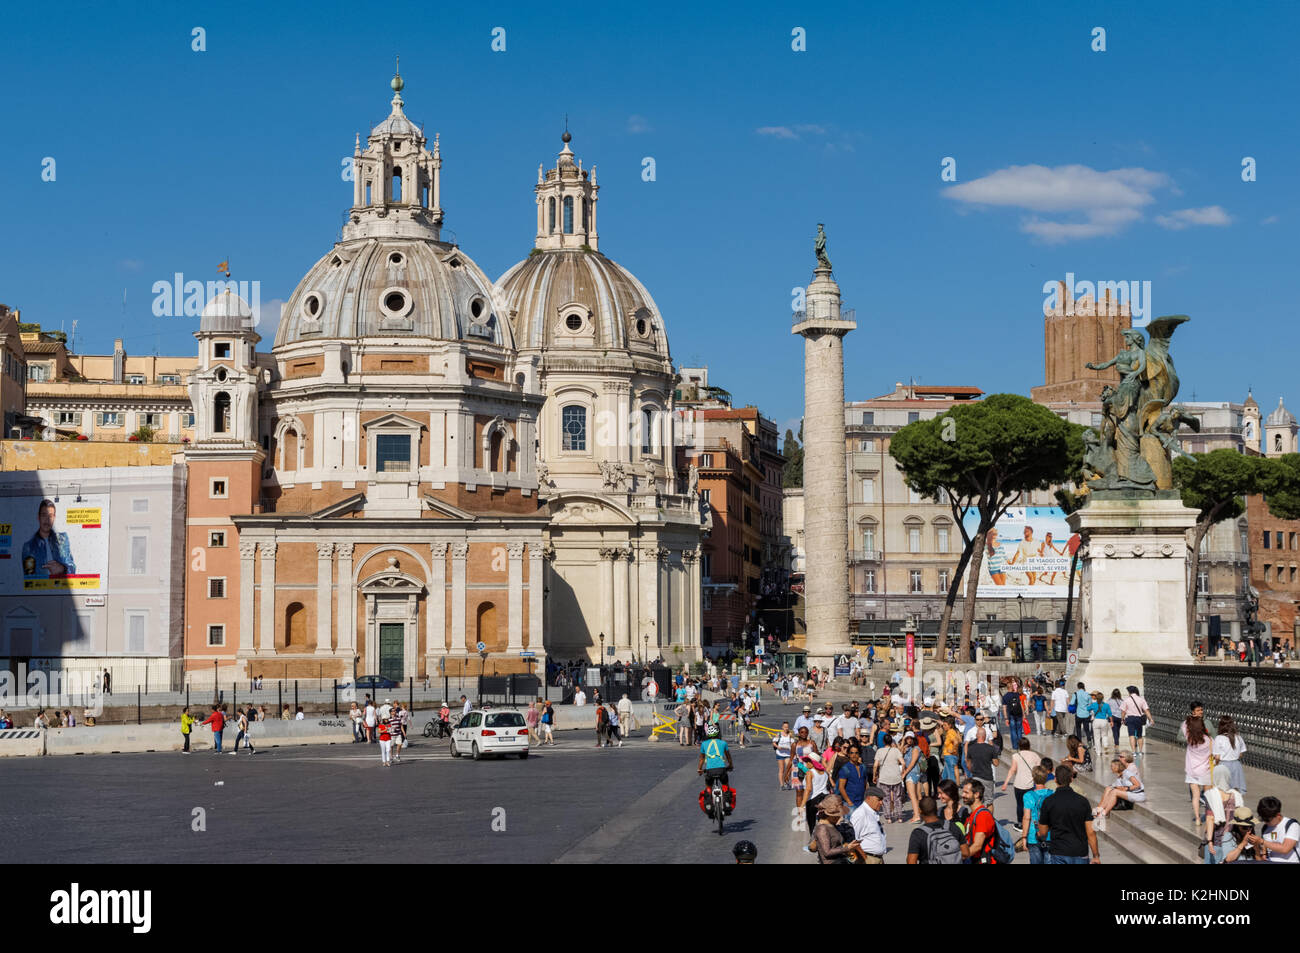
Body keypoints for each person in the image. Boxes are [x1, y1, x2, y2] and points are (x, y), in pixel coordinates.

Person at [1037, 765, 1101, 864]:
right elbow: (1091, 832)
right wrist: (1096, 855)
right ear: (1071, 779)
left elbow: (1043, 832)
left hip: (1058, 852)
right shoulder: (1082, 801)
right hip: (1080, 852)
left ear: (1055, 779)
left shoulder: (1048, 802)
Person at [20, 499, 76, 580]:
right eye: (44, 515)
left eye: (50, 516)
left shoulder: (62, 539)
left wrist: (62, 569)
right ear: (38, 517)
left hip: (62, 590)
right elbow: (29, 580)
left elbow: (72, 568)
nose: (47, 520)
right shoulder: (28, 547)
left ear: (54, 518)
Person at [907, 795, 963, 864]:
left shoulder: (918, 833)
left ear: (920, 811)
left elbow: (911, 861)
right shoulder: (952, 826)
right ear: (936, 809)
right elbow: (965, 852)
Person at [811, 796, 862, 864]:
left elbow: (840, 845)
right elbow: (827, 852)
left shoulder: (835, 825)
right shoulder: (822, 828)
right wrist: (847, 848)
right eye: (837, 815)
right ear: (830, 815)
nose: (840, 817)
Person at [959, 779, 999, 863]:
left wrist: (959, 857)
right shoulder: (973, 814)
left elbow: (977, 845)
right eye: (963, 792)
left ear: (976, 794)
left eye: (966, 792)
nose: (962, 795)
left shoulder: (982, 816)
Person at [1020, 765, 1054, 864]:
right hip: (1049, 834)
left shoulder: (1028, 795)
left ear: (1033, 778)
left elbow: (1026, 818)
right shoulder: (1052, 794)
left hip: (1033, 835)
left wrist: (1024, 837)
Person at [1001, 737, 1041, 820]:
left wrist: (1005, 783)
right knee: (1031, 804)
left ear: (1019, 746)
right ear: (1029, 745)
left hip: (1019, 784)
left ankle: (1020, 823)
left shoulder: (1016, 756)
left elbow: (1012, 770)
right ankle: (1031, 821)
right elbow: (1039, 769)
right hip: (1030, 785)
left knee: (1020, 805)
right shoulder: (1035, 755)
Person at [1250, 796, 1300, 863]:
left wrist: (1262, 841)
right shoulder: (1265, 828)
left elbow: (1285, 849)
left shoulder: (1292, 825)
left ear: (1278, 815)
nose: (1265, 822)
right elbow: (1270, 844)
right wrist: (1261, 851)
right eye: (1262, 819)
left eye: (1267, 819)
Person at [1183, 715, 1213, 825]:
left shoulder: (1190, 738)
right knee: (1208, 796)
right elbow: (1213, 753)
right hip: (1205, 771)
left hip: (1192, 772)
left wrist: (1191, 719)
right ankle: (1209, 815)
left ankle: (1197, 818)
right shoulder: (1209, 740)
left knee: (1195, 796)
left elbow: (1184, 725)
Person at [872, 732, 906, 822]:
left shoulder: (879, 751)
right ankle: (899, 817)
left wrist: (874, 775)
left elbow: (875, 765)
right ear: (891, 741)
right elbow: (903, 763)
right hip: (896, 777)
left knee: (886, 798)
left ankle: (889, 818)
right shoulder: (896, 750)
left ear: (883, 742)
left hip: (884, 777)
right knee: (897, 797)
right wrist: (902, 773)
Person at [848, 787, 888, 864]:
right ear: (869, 798)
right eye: (879, 799)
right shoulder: (860, 814)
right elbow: (852, 841)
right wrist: (862, 860)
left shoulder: (873, 812)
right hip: (868, 859)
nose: (881, 802)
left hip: (877, 858)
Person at [1213, 715, 1247, 794]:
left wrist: (1215, 765)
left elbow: (1217, 757)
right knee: (1236, 788)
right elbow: (1241, 754)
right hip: (1236, 765)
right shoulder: (1238, 737)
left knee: (1223, 788)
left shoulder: (1219, 738)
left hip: (1223, 765)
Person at [965, 727, 1000, 800]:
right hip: (987, 777)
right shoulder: (991, 748)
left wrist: (971, 770)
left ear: (977, 736)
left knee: (977, 799)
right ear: (985, 736)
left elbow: (968, 763)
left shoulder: (971, 748)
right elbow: (996, 764)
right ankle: (988, 811)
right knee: (989, 800)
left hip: (976, 776)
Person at [837, 743, 870, 811]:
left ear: (859, 754)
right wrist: (849, 802)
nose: (854, 755)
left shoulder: (862, 767)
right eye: (851, 753)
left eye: (856, 753)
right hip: (850, 804)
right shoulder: (845, 769)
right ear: (848, 754)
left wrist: (867, 799)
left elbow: (865, 784)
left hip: (861, 802)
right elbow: (841, 787)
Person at [1120, 685, 1151, 754]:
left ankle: (1133, 752)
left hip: (1130, 719)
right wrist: (1151, 719)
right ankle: (1140, 751)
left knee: (1131, 735)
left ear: (1129, 692)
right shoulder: (1141, 699)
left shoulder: (1126, 700)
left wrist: (1122, 719)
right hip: (1139, 719)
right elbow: (1146, 710)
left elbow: (1123, 711)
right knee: (1139, 736)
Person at [1001, 681, 1024, 749]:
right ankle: (1021, 745)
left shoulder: (1005, 696)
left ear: (1007, 688)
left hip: (1011, 715)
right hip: (1019, 714)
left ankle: (1015, 746)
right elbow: (1020, 705)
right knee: (1019, 730)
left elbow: (1004, 709)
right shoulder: (1017, 694)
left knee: (1013, 731)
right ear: (1012, 687)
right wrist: (1023, 714)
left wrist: (1006, 718)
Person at [773, 722, 794, 790]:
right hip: (780, 753)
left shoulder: (790, 735)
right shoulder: (779, 734)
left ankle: (787, 782)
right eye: (785, 727)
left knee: (788, 769)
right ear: (782, 727)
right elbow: (774, 743)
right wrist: (778, 747)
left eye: (787, 727)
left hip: (788, 754)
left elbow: (793, 743)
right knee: (781, 769)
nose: (786, 728)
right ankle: (781, 785)